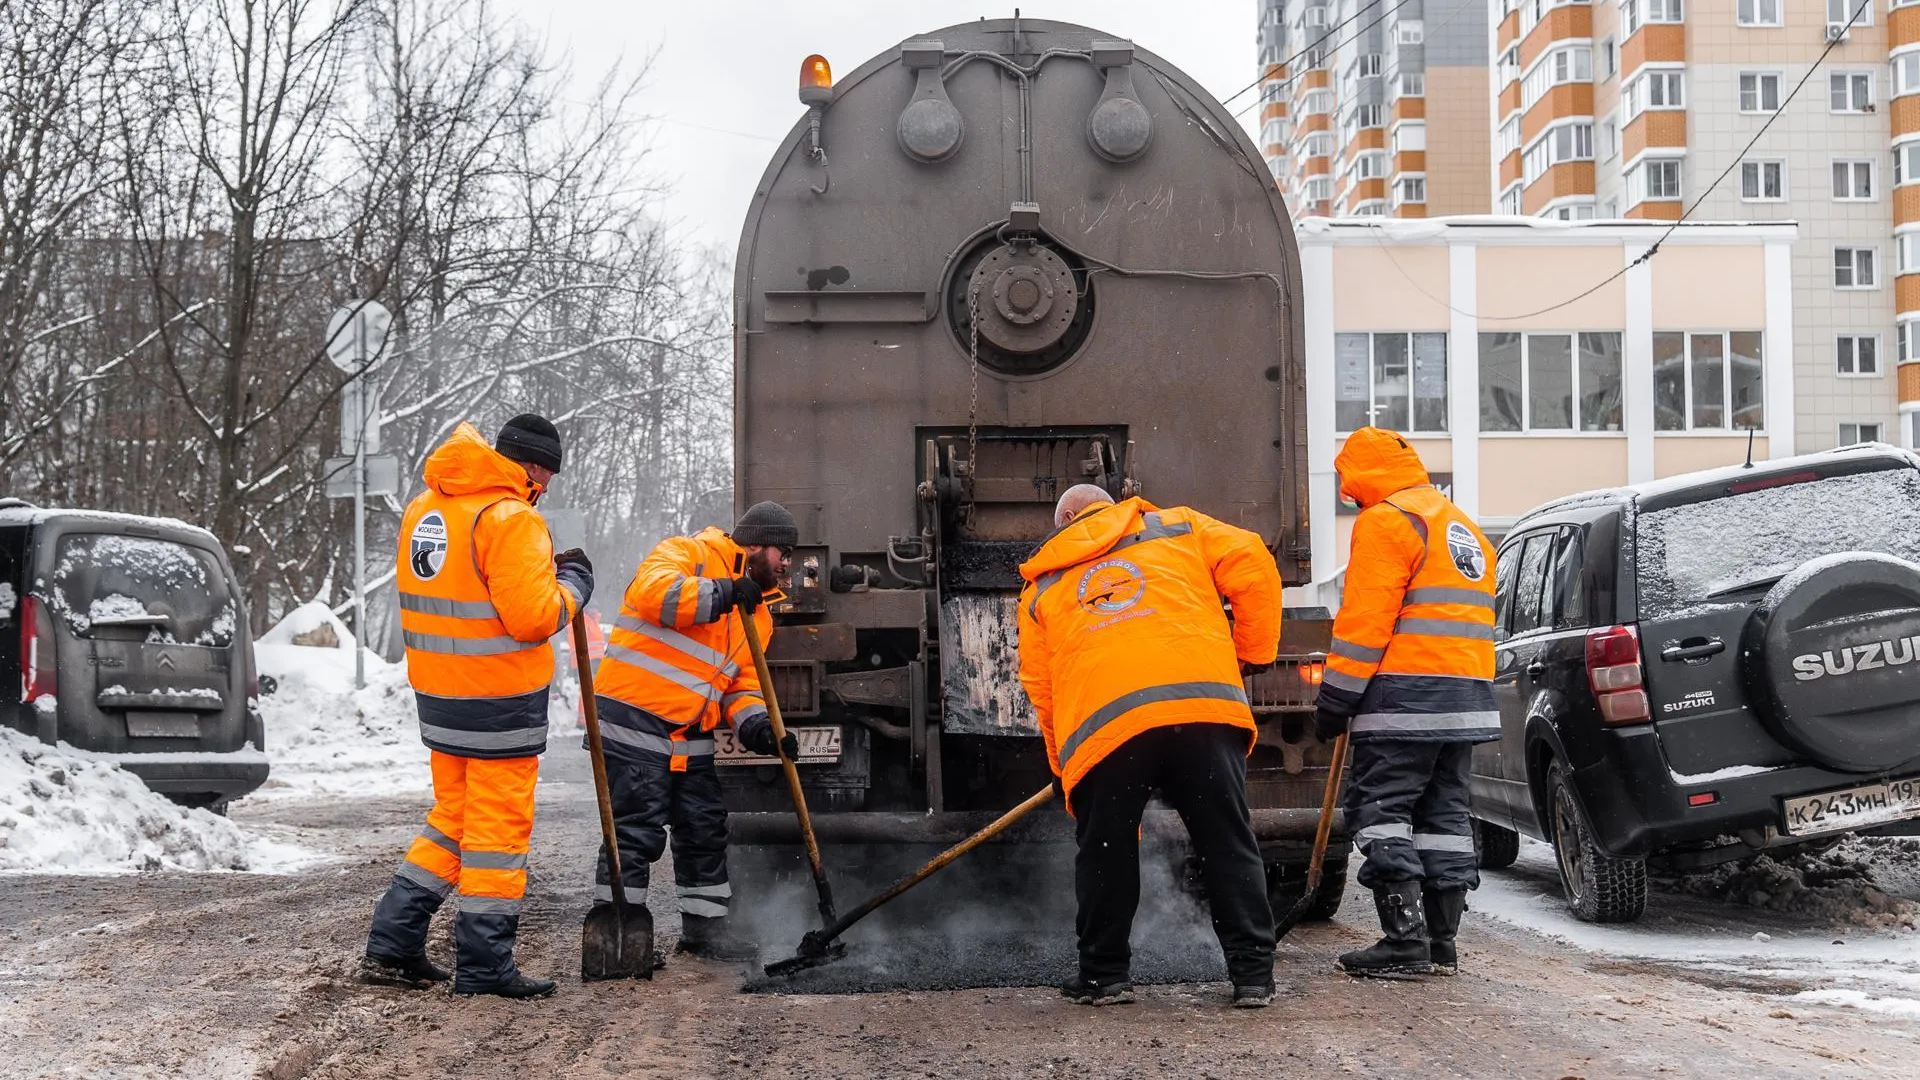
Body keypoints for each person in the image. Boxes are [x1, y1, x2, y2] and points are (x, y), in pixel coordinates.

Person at [1016, 484, 1284, 1009]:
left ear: (1066, 519)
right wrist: (1252, 654)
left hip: (1106, 730)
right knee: (1227, 841)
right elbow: (1253, 560)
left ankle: (1103, 977)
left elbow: (1043, 690)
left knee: (1106, 853)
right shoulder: (1179, 525)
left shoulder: (1042, 586)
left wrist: (1062, 769)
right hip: (1202, 709)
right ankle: (1254, 977)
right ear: (1107, 504)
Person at [362, 414, 594, 999]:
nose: (547, 486)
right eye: (549, 474)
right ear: (536, 467)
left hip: (440, 696)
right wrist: (574, 586)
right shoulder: (511, 518)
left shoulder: (428, 508)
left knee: (455, 818)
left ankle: (393, 943)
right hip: (499, 700)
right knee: (497, 832)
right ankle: (486, 965)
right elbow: (533, 618)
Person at [1314, 426, 1498, 979]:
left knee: (1382, 811)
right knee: (1442, 818)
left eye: (1347, 479)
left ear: (1362, 474)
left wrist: (1337, 696)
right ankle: (1441, 943)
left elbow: (1365, 623)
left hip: (1405, 698)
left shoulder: (1388, 521)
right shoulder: (1460, 525)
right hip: (1465, 697)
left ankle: (1404, 942)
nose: (1347, 493)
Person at [585, 502, 797, 961]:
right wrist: (724, 592)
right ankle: (617, 943)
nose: (789, 564)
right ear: (757, 543)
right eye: (785, 552)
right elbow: (654, 594)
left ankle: (706, 933)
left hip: (690, 732)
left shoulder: (758, 617)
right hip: (634, 719)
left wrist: (759, 727)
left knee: (703, 829)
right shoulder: (688, 552)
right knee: (636, 830)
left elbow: (740, 685)